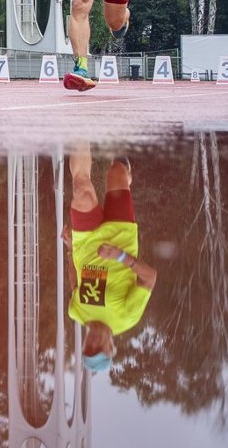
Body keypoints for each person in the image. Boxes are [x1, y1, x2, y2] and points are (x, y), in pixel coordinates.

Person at [63, 148, 158, 373]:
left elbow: (75, 283)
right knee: (116, 171)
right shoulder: (126, 318)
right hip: (120, 236)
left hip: (86, 241)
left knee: (81, 188)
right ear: (110, 347)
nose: (93, 343)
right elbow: (150, 278)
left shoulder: (76, 313)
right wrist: (120, 256)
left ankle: (80, 125)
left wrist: (69, 250)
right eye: (99, 348)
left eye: (88, 347)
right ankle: (125, 171)